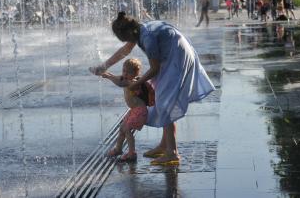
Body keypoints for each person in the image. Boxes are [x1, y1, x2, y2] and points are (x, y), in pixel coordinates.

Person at [90, 12, 215, 165]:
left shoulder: (147, 38)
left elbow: (154, 69)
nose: (127, 42)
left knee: (164, 102)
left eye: (125, 39)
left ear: (128, 33)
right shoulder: (139, 30)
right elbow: (125, 51)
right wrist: (104, 66)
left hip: (177, 57)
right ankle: (164, 145)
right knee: (162, 99)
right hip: (172, 55)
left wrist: (137, 83)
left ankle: (172, 152)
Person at [102, 58, 154, 162]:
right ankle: (118, 149)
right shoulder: (126, 80)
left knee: (126, 129)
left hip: (140, 111)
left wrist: (108, 76)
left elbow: (120, 83)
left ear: (135, 73)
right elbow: (118, 78)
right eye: (124, 70)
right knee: (122, 128)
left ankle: (132, 153)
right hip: (134, 110)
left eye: (128, 72)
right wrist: (106, 73)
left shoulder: (133, 82)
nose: (125, 74)